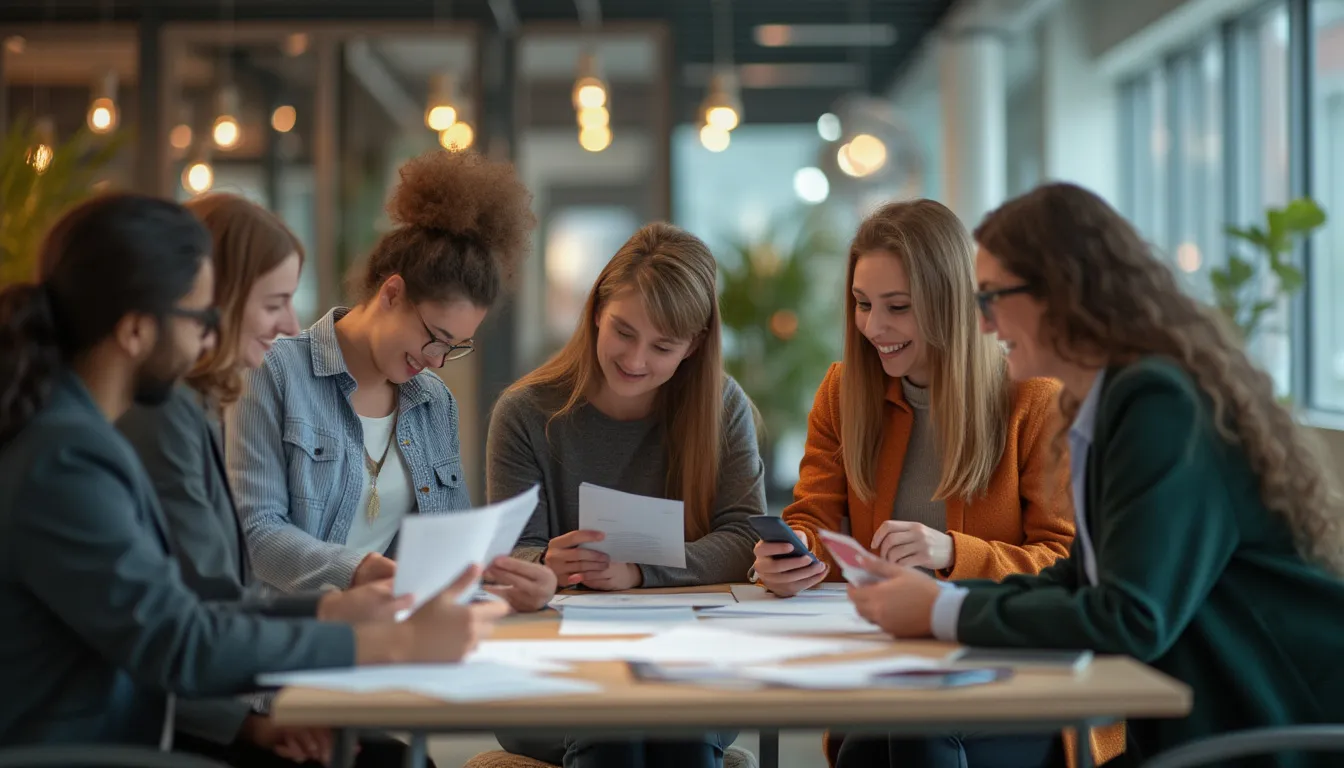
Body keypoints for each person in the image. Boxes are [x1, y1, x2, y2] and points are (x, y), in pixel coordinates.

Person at [847, 182, 1344, 768]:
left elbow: (1129, 617)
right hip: (1209, 721)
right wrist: (941, 598)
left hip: (1268, 726)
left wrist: (940, 611)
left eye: (992, 300)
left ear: (1061, 294)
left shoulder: (1157, 401)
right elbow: (1081, 581)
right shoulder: (1113, 400)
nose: (983, 326)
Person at [0, 193, 508, 746]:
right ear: (136, 330)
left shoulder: (88, 433)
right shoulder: (69, 457)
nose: (211, 334)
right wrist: (380, 643)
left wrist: (334, 613)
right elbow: (179, 638)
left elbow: (194, 610)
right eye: (200, 314)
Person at [748, 199, 1119, 768]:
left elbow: (1066, 561)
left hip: (1016, 672)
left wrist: (952, 553)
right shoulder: (845, 393)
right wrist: (794, 556)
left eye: (897, 307)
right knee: (867, 743)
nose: (874, 327)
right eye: (862, 304)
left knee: (906, 734)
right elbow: (812, 518)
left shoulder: (1033, 399)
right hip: (899, 663)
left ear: (950, 305)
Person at [117, 193, 427, 767]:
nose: (290, 323)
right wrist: (253, 724)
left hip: (201, 708)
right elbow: (175, 629)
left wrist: (333, 616)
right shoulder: (157, 420)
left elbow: (207, 611)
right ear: (213, 300)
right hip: (161, 729)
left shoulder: (190, 411)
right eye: (275, 303)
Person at [228, 150, 556, 612]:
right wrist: (357, 569)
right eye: (435, 337)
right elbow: (255, 531)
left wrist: (517, 581)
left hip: (399, 647)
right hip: (298, 648)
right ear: (392, 293)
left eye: (455, 346)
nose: (437, 361)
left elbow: (452, 546)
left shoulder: (432, 401)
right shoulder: (274, 371)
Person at [487, 222, 763, 768]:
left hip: (688, 664)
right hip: (554, 668)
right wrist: (546, 562)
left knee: (677, 731)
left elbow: (746, 536)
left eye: (663, 346)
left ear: (695, 345)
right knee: (612, 728)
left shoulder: (721, 407)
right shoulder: (525, 413)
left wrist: (641, 573)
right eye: (623, 332)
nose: (636, 360)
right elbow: (505, 557)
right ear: (595, 311)